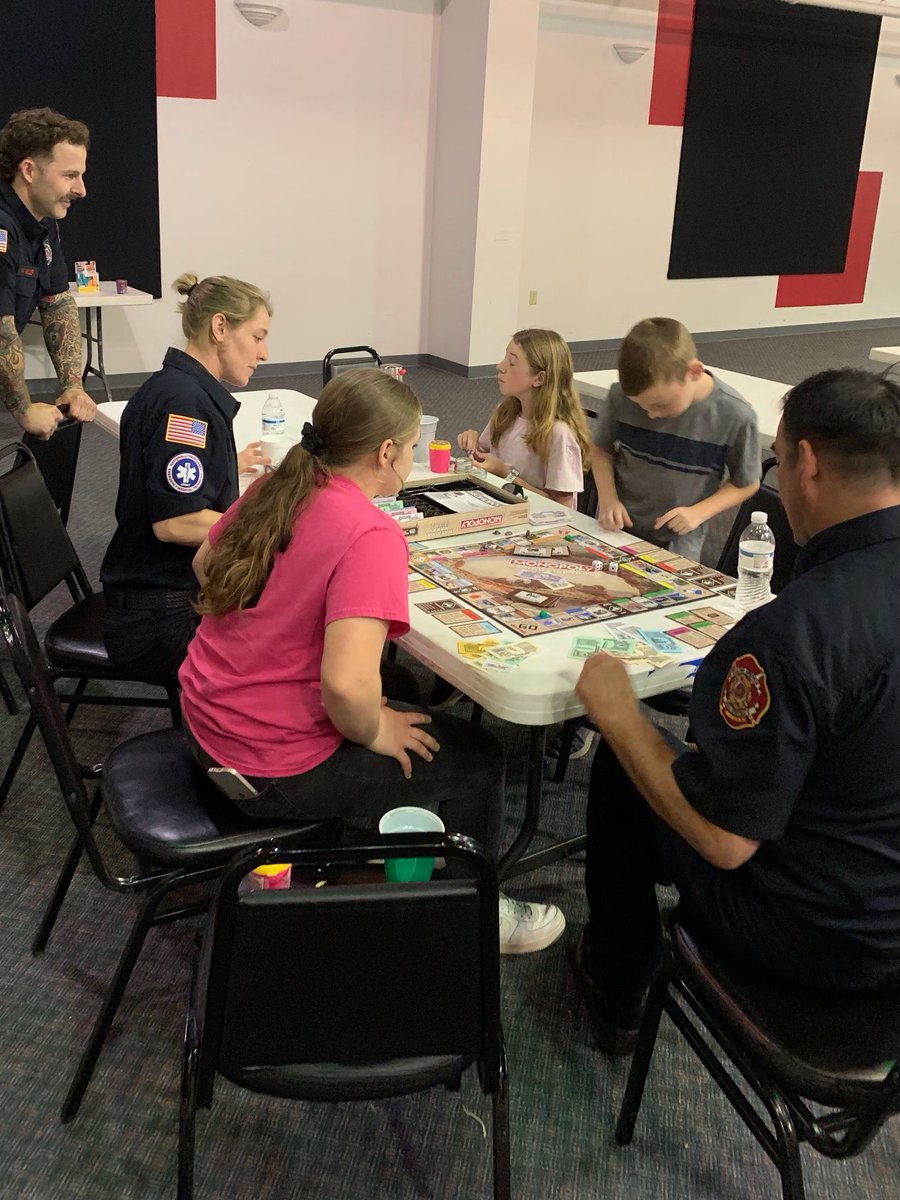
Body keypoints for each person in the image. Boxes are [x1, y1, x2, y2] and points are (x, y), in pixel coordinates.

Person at [178, 367, 566, 955]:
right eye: (410, 447)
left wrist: (281, 621)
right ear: (386, 452)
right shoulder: (370, 532)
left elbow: (205, 566)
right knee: (478, 756)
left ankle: (363, 851)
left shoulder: (275, 486)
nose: (410, 456)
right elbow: (344, 684)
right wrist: (378, 727)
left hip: (202, 722)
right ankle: (476, 912)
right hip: (268, 768)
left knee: (399, 682)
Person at [571, 367, 900, 1052]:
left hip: (822, 943)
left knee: (623, 769)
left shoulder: (794, 633)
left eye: (778, 460)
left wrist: (621, 714)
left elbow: (725, 841)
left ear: (805, 462)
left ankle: (615, 988)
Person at [100, 273, 270, 689]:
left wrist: (229, 463)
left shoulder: (184, 390)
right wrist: (266, 530)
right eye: (258, 336)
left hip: (161, 594)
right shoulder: (184, 403)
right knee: (285, 658)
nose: (264, 353)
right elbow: (174, 522)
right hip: (157, 614)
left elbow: (181, 478)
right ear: (219, 328)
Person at [591, 317, 760, 562]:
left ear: (694, 372)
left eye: (661, 404)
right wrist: (608, 499)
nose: (652, 414)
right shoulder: (620, 396)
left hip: (679, 540)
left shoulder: (735, 415)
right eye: (641, 406)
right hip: (617, 528)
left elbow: (746, 482)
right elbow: (601, 449)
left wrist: (699, 513)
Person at [0, 106, 97, 437]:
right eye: (70, 176)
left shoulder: (44, 225)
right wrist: (25, 411)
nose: (81, 189)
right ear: (29, 170)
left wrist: (72, 386)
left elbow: (57, 302)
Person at [457, 328, 591, 509]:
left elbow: (563, 507)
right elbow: (486, 458)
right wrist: (473, 446)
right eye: (505, 357)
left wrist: (506, 474)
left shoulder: (558, 434)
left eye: (512, 363)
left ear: (539, 378)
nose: (500, 366)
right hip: (500, 508)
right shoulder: (506, 412)